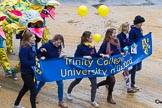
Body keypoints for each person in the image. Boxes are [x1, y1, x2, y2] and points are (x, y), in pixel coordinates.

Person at [66, 31, 99, 107]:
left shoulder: (92, 46)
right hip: (82, 68)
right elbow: (76, 57)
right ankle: (68, 92)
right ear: (87, 38)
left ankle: (93, 100)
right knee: (77, 81)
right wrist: (84, 57)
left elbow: (95, 55)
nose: (92, 37)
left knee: (94, 84)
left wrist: (101, 55)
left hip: (91, 68)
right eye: (91, 36)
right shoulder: (80, 47)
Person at [36, 34, 68, 108]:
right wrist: (41, 57)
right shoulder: (47, 45)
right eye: (57, 42)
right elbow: (37, 53)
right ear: (54, 40)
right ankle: (34, 96)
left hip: (55, 67)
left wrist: (62, 56)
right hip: (47, 67)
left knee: (60, 83)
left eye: (60, 43)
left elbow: (57, 55)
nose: (59, 44)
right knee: (42, 82)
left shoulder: (59, 46)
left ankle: (61, 101)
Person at [97, 28, 122, 104]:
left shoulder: (117, 41)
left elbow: (118, 51)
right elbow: (99, 53)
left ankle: (96, 85)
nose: (115, 34)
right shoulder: (105, 43)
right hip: (107, 65)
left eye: (115, 33)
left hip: (114, 65)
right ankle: (109, 97)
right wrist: (104, 55)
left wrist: (121, 53)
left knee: (109, 81)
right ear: (109, 35)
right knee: (112, 81)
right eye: (113, 33)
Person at [13, 30, 37, 108]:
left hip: (31, 72)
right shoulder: (24, 49)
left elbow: (34, 56)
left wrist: (41, 52)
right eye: (33, 37)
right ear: (28, 38)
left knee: (25, 89)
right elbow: (24, 62)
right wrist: (34, 62)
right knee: (33, 91)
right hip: (26, 73)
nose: (35, 39)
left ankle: (16, 104)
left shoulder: (31, 47)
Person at [117, 22, 138, 93]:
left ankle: (128, 88)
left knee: (126, 71)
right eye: (126, 27)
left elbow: (128, 43)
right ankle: (108, 82)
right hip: (121, 56)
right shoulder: (119, 36)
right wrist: (123, 48)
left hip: (126, 56)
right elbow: (118, 46)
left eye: (127, 27)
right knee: (115, 69)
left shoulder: (127, 35)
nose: (127, 29)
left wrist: (132, 44)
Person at [129, 15, 145, 89]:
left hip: (140, 51)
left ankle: (126, 73)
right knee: (135, 67)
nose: (141, 24)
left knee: (139, 67)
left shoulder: (140, 29)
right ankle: (132, 83)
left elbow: (141, 38)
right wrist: (136, 43)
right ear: (137, 23)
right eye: (140, 23)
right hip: (134, 51)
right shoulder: (132, 30)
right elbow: (130, 41)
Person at [0, 14, 17, 80]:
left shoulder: (2, 26)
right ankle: (8, 72)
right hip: (0, 47)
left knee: (4, 58)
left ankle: (8, 71)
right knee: (4, 58)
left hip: (1, 47)